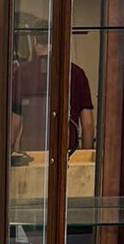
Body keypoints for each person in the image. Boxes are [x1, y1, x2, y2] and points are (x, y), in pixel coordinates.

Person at [9, 16, 95, 152]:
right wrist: (85, 160)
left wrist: (10, 160)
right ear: (56, 40)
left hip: (31, 156)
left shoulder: (22, 73)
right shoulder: (76, 73)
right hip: (66, 155)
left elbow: (14, 123)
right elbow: (88, 124)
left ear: (34, 41)